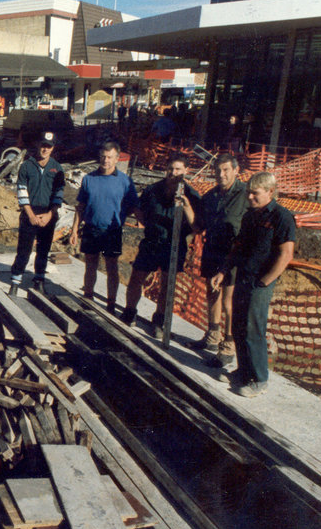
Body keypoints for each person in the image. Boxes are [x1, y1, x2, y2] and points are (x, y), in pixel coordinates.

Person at [211, 173, 295, 397]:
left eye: (255, 193)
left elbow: (286, 255)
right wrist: (224, 270)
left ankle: (259, 379)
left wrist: (265, 281)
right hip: (244, 277)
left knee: (253, 328)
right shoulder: (250, 217)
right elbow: (238, 248)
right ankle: (243, 371)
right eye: (248, 192)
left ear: (270, 192)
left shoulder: (282, 217)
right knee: (238, 325)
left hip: (260, 282)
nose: (249, 197)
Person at [120, 155, 201, 336]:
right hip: (152, 242)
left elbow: (196, 226)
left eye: (178, 169)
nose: (173, 173)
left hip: (174, 244)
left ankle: (159, 320)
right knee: (137, 277)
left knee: (167, 284)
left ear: (186, 171)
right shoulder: (153, 190)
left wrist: (186, 206)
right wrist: (148, 225)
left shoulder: (192, 195)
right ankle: (129, 312)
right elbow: (139, 209)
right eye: (171, 168)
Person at [68, 141, 138, 313]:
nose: (105, 160)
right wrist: (74, 230)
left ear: (116, 159)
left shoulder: (125, 182)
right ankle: (88, 298)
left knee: (111, 267)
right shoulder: (89, 179)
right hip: (91, 228)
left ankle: (111, 304)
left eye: (109, 157)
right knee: (90, 265)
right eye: (103, 157)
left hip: (112, 231)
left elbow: (134, 206)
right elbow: (81, 207)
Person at [193, 153, 249, 366]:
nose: (221, 174)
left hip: (234, 253)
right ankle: (213, 335)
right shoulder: (210, 196)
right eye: (218, 170)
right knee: (212, 292)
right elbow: (199, 225)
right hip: (212, 250)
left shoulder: (245, 194)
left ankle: (228, 344)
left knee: (228, 300)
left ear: (236, 171)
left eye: (226, 170)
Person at [8, 131, 66, 295]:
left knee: (43, 250)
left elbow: (59, 193)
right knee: (24, 250)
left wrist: (49, 214)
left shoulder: (57, 168)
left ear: (53, 148)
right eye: (43, 145)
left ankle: (39, 279)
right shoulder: (27, 165)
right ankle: (15, 280)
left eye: (48, 146)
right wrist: (31, 215)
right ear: (38, 145)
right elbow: (21, 191)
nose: (45, 149)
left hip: (48, 214)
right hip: (29, 212)